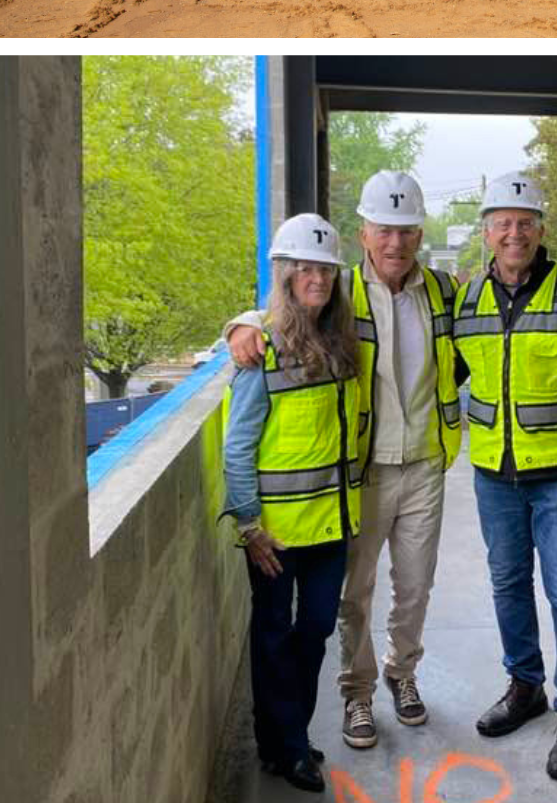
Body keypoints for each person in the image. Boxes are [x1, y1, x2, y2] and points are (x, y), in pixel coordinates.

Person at [225, 172, 461, 755]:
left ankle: (401, 673)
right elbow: (280, 313)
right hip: (361, 470)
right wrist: (239, 326)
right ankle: (356, 691)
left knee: (415, 587)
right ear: (363, 234)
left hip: (426, 462)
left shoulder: (444, 291)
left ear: (420, 233)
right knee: (355, 593)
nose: (396, 244)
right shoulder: (340, 291)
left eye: (407, 232)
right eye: (385, 230)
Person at [455, 171, 557, 783]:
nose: (514, 232)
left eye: (524, 223)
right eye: (502, 222)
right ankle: (525, 687)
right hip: (494, 474)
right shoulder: (467, 300)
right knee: (507, 584)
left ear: (541, 230)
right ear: (487, 232)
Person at [222, 213, 361, 795]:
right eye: (304, 267)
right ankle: (286, 745)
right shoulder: (261, 350)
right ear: (283, 274)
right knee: (275, 634)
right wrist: (251, 527)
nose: (316, 277)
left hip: (331, 524)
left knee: (318, 629)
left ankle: (290, 735)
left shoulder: (340, 342)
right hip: (277, 533)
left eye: (325, 268)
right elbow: (237, 446)